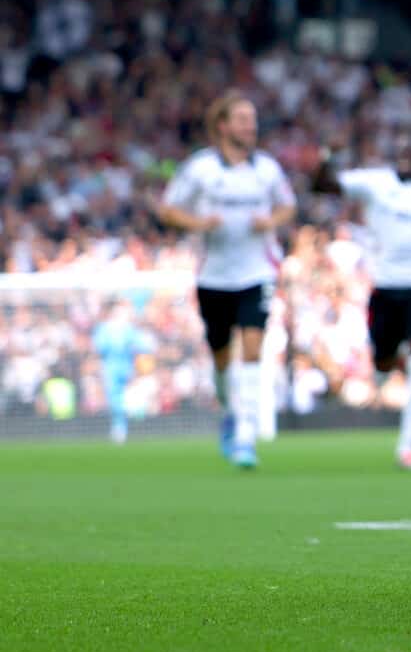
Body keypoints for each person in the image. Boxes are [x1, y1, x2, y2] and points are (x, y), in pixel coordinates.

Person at [313, 137, 411, 471]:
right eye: (402, 151)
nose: (408, 155)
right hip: (385, 289)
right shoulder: (376, 183)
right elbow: (324, 186)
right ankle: (388, 370)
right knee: (382, 364)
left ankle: (408, 447)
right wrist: (328, 156)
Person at [155, 93, 295, 469]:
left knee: (252, 348)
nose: (251, 126)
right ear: (223, 125)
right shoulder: (200, 168)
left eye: (252, 119)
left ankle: (247, 436)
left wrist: (271, 221)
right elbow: (168, 210)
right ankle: (231, 414)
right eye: (243, 119)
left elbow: (287, 205)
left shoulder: (266, 169)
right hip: (213, 275)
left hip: (257, 271)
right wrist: (200, 224)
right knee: (220, 358)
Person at [91, 302, 151, 445]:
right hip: (111, 367)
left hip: (126, 366)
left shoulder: (128, 329)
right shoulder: (104, 328)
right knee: (114, 398)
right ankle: (119, 427)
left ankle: (133, 424)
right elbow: (99, 347)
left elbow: (141, 345)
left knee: (130, 396)